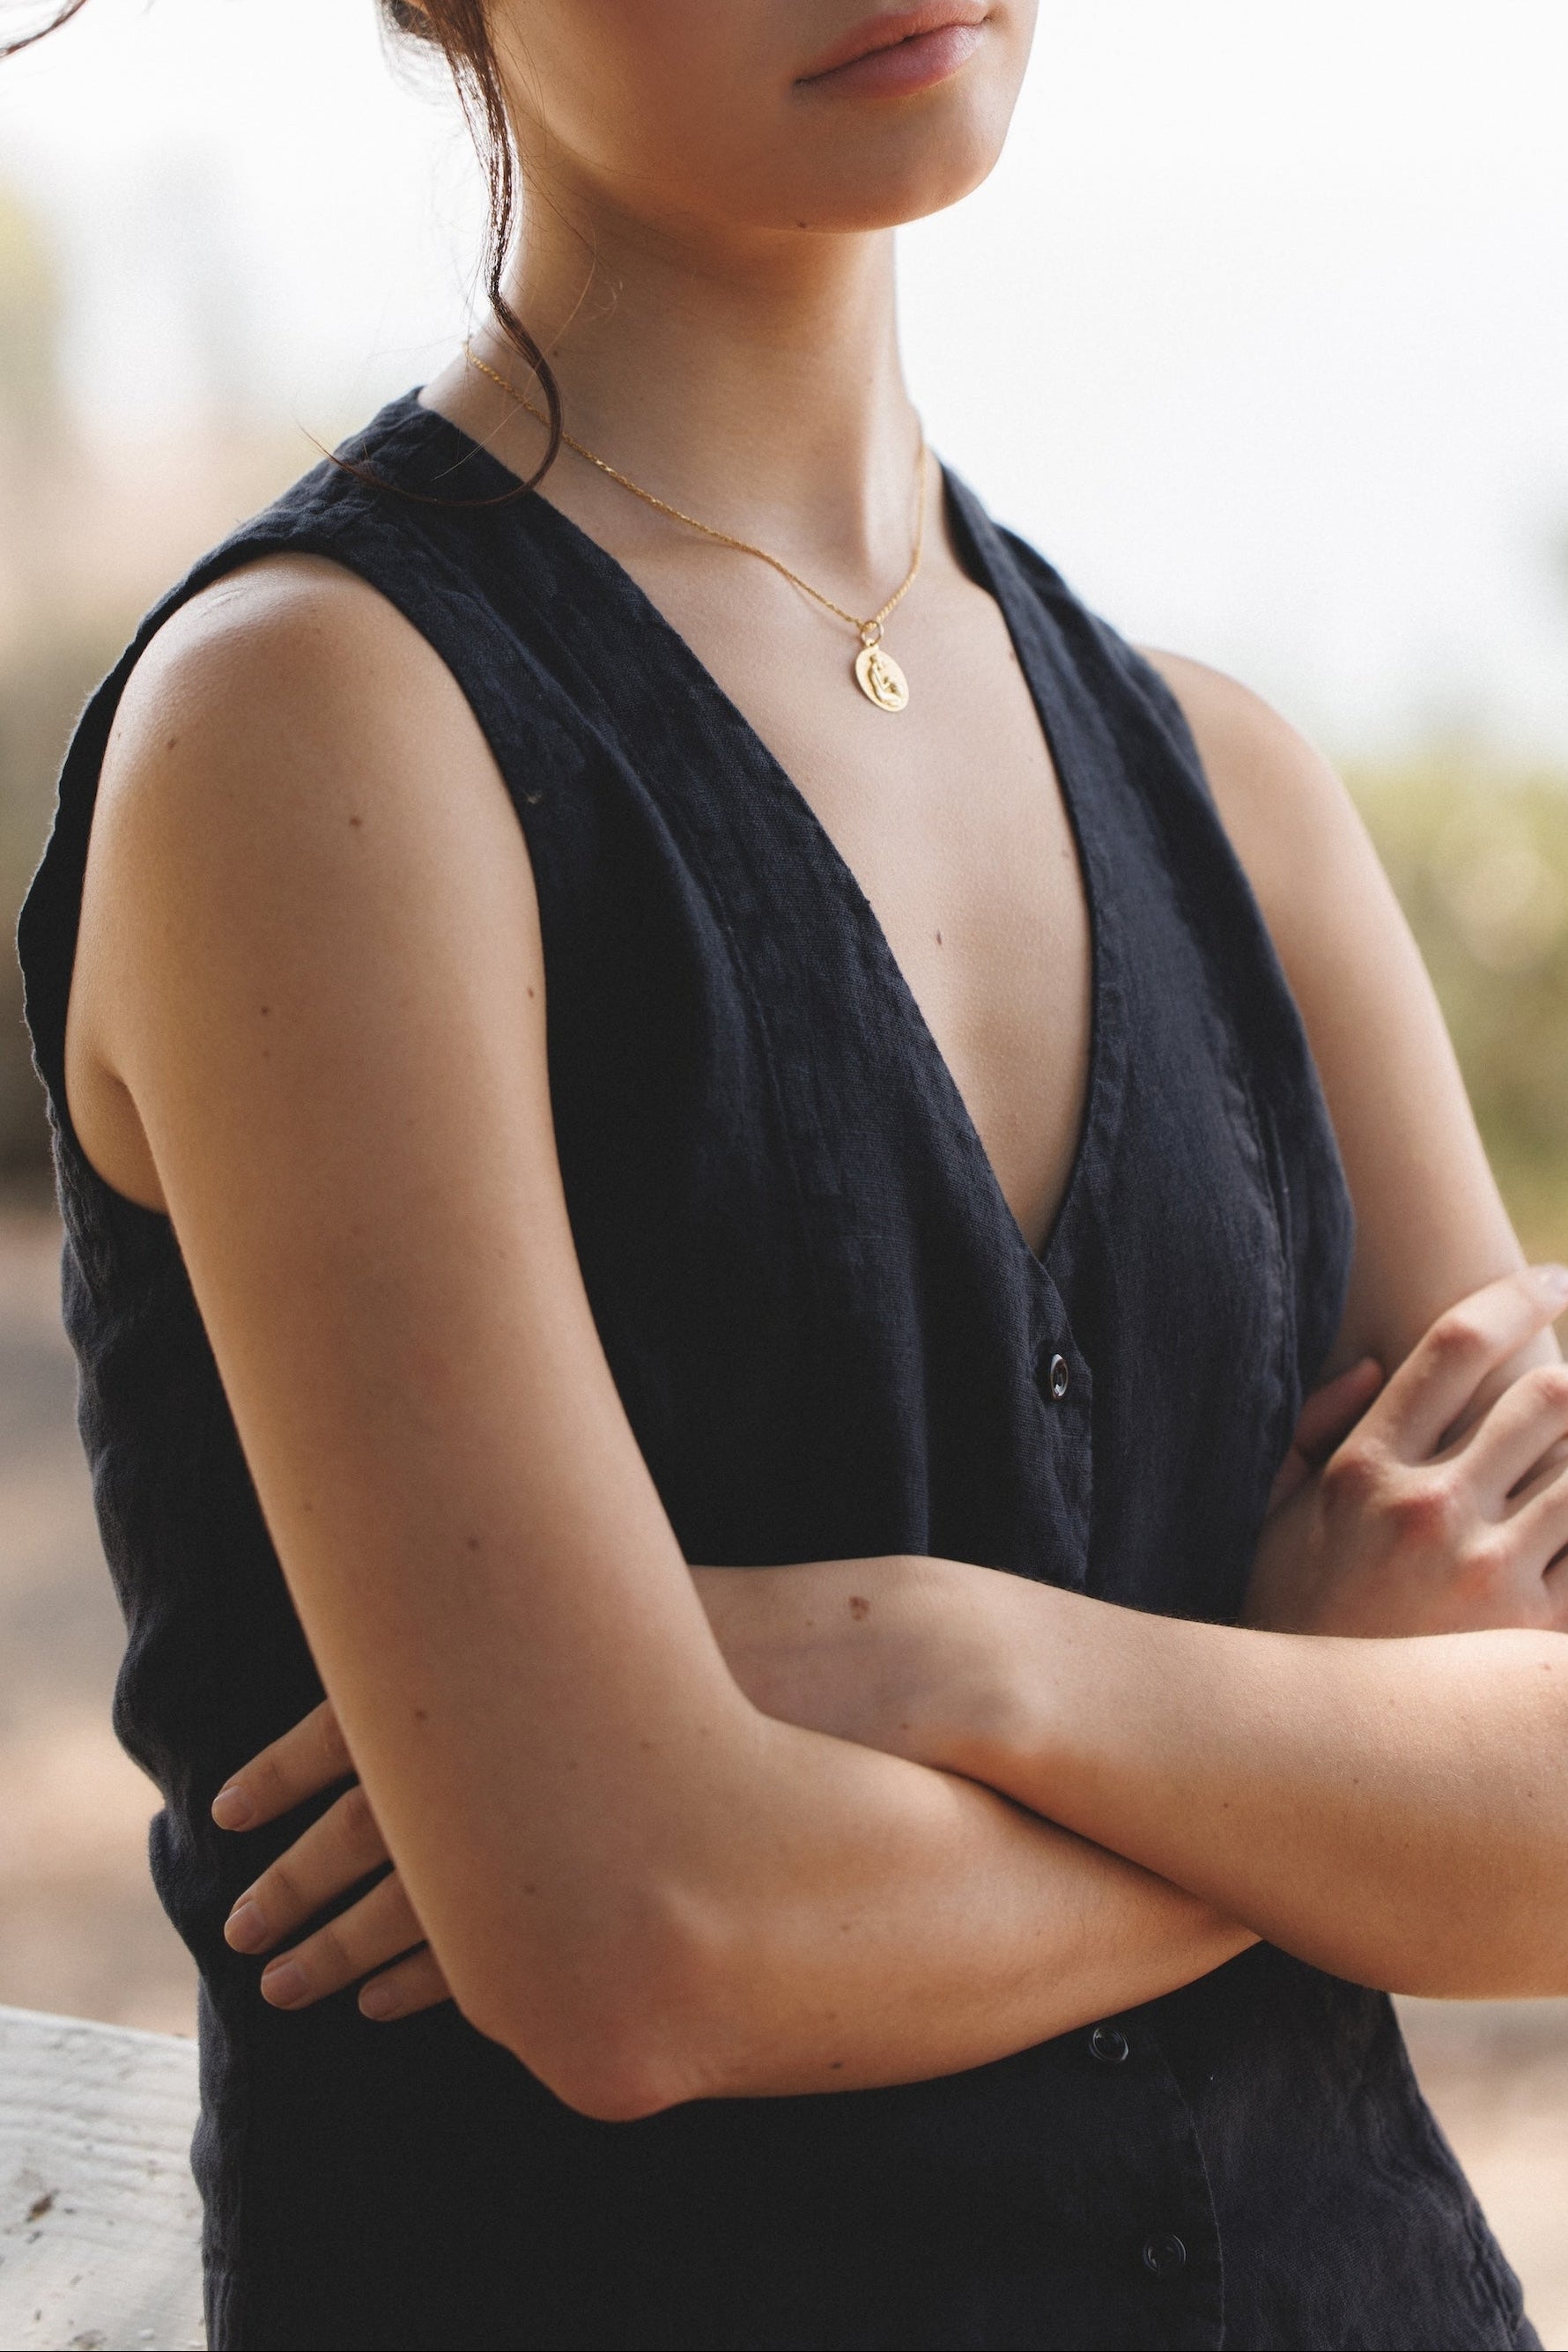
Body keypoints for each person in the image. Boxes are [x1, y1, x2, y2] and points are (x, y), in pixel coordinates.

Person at [11, 3, 1568, 2347]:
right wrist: (1319, 1757)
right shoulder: (308, 733)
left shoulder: (1236, 793)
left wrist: (922, 1658)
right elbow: (644, 1947)